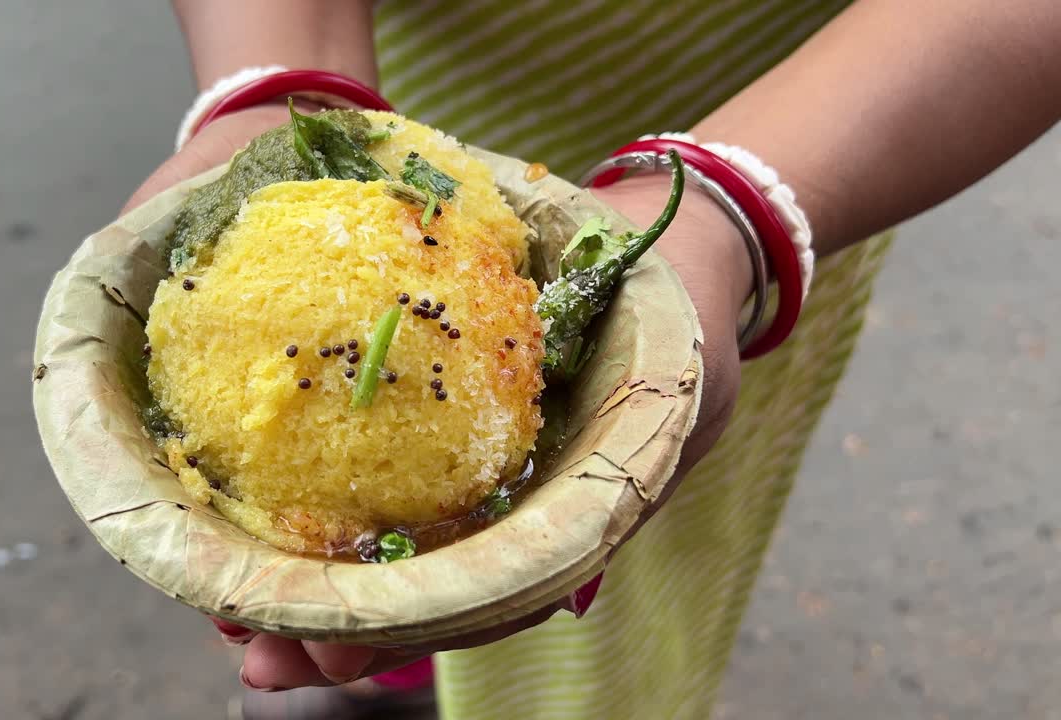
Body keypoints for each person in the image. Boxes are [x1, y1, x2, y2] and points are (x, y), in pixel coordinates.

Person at [121, 2, 1061, 718]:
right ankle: (396, 664)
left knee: (630, 562)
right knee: (387, 579)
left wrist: (736, 206)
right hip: (424, 147)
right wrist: (278, 79)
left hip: (847, 119)